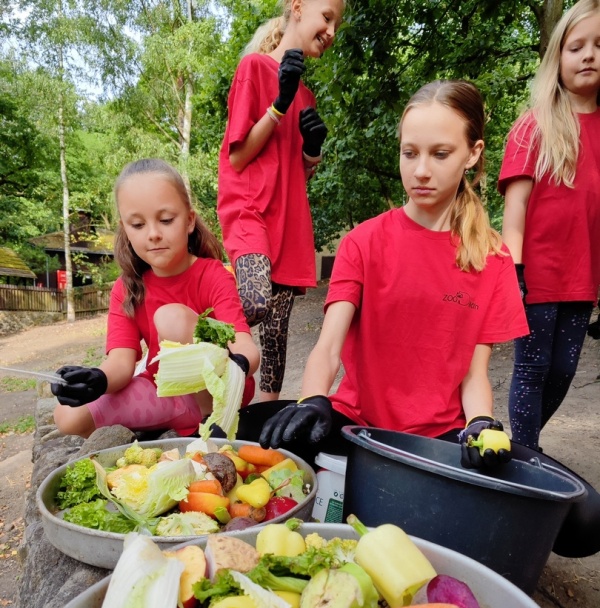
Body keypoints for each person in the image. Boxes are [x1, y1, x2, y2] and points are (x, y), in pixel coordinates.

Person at [245, 79, 528, 470]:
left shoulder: (493, 259)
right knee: (259, 440)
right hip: (355, 424)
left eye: (440, 154)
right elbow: (327, 348)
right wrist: (312, 399)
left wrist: (480, 421)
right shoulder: (363, 242)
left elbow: (473, 374)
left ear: (472, 153)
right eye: (409, 153)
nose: (421, 170)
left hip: (440, 437)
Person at [51, 158, 259, 439]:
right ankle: (171, 422)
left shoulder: (213, 275)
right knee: (67, 415)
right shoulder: (126, 289)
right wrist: (96, 381)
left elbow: (246, 348)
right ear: (125, 229)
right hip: (164, 391)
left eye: (166, 220)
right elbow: (121, 365)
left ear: (189, 220)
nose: (153, 234)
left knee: (170, 318)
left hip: (217, 393)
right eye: (137, 225)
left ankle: (207, 424)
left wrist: (240, 365)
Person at [217, 0, 345, 403]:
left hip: (291, 221)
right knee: (254, 303)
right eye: (327, 17)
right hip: (251, 209)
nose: (331, 31)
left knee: (276, 332)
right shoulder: (253, 69)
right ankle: (196, 340)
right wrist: (278, 105)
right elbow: (237, 156)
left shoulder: (306, 92)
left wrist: (312, 150)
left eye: (336, 24)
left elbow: (296, 173)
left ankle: (263, 418)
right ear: (297, 7)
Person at [499, 0, 600, 452]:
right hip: (535, 275)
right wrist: (512, 270)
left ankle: (523, 447)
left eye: (599, 45)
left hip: (584, 277)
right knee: (533, 369)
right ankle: (526, 455)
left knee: (563, 370)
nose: (589, 55)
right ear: (557, 57)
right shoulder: (534, 125)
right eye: (576, 46)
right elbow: (516, 205)